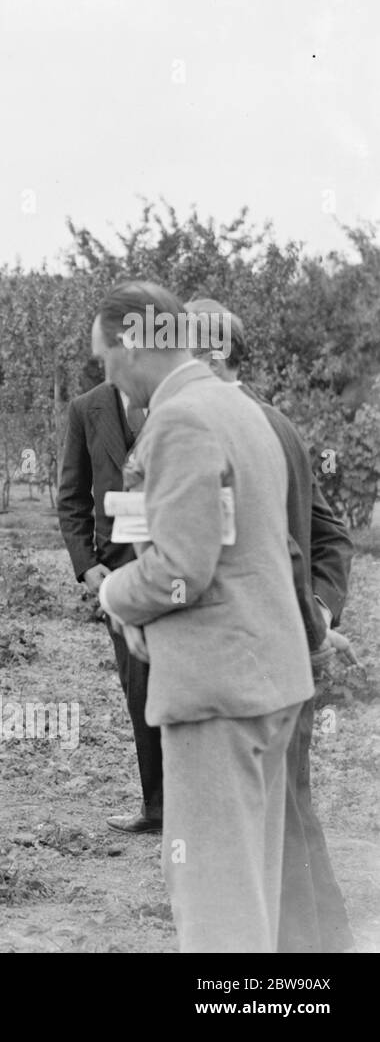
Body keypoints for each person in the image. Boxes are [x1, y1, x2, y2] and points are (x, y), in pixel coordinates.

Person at [95, 280, 313, 953]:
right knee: (248, 889)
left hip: (216, 690)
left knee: (216, 903)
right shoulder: (235, 406)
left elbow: (180, 569)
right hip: (265, 678)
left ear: (132, 343)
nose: (104, 373)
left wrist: (113, 594)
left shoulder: (181, 418)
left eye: (103, 356)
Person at [186, 297, 355, 952]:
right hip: (276, 653)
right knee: (287, 811)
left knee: (266, 819)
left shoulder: (234, 429)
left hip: (253, 658)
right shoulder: (270, 422)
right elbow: (325, 535)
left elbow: (319, 535)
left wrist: (312, 613)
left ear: (218, 352)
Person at [57, 375, 162, 833]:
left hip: (180, 564)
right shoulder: (85, 409)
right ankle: (157, 807)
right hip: (117, 572)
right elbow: (72, 495)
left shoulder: (175, 395)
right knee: (139, 687)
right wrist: (87, 564)